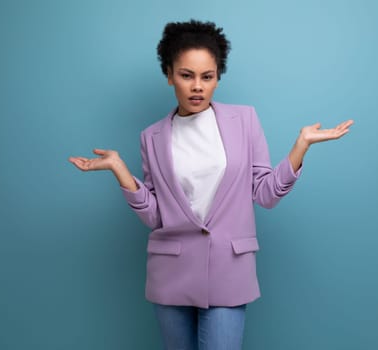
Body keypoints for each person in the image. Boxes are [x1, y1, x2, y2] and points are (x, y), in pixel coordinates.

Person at [69, 19, 353, 350]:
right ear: (169, 75)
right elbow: (156, 216)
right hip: (171, 270)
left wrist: (300, 146)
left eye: (207, 76)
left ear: (218, 78)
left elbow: (264, 194)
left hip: (229, 268)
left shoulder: (244, 120)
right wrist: (120, 169)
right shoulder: (152, 137)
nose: (197, 86)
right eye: (186, 75)